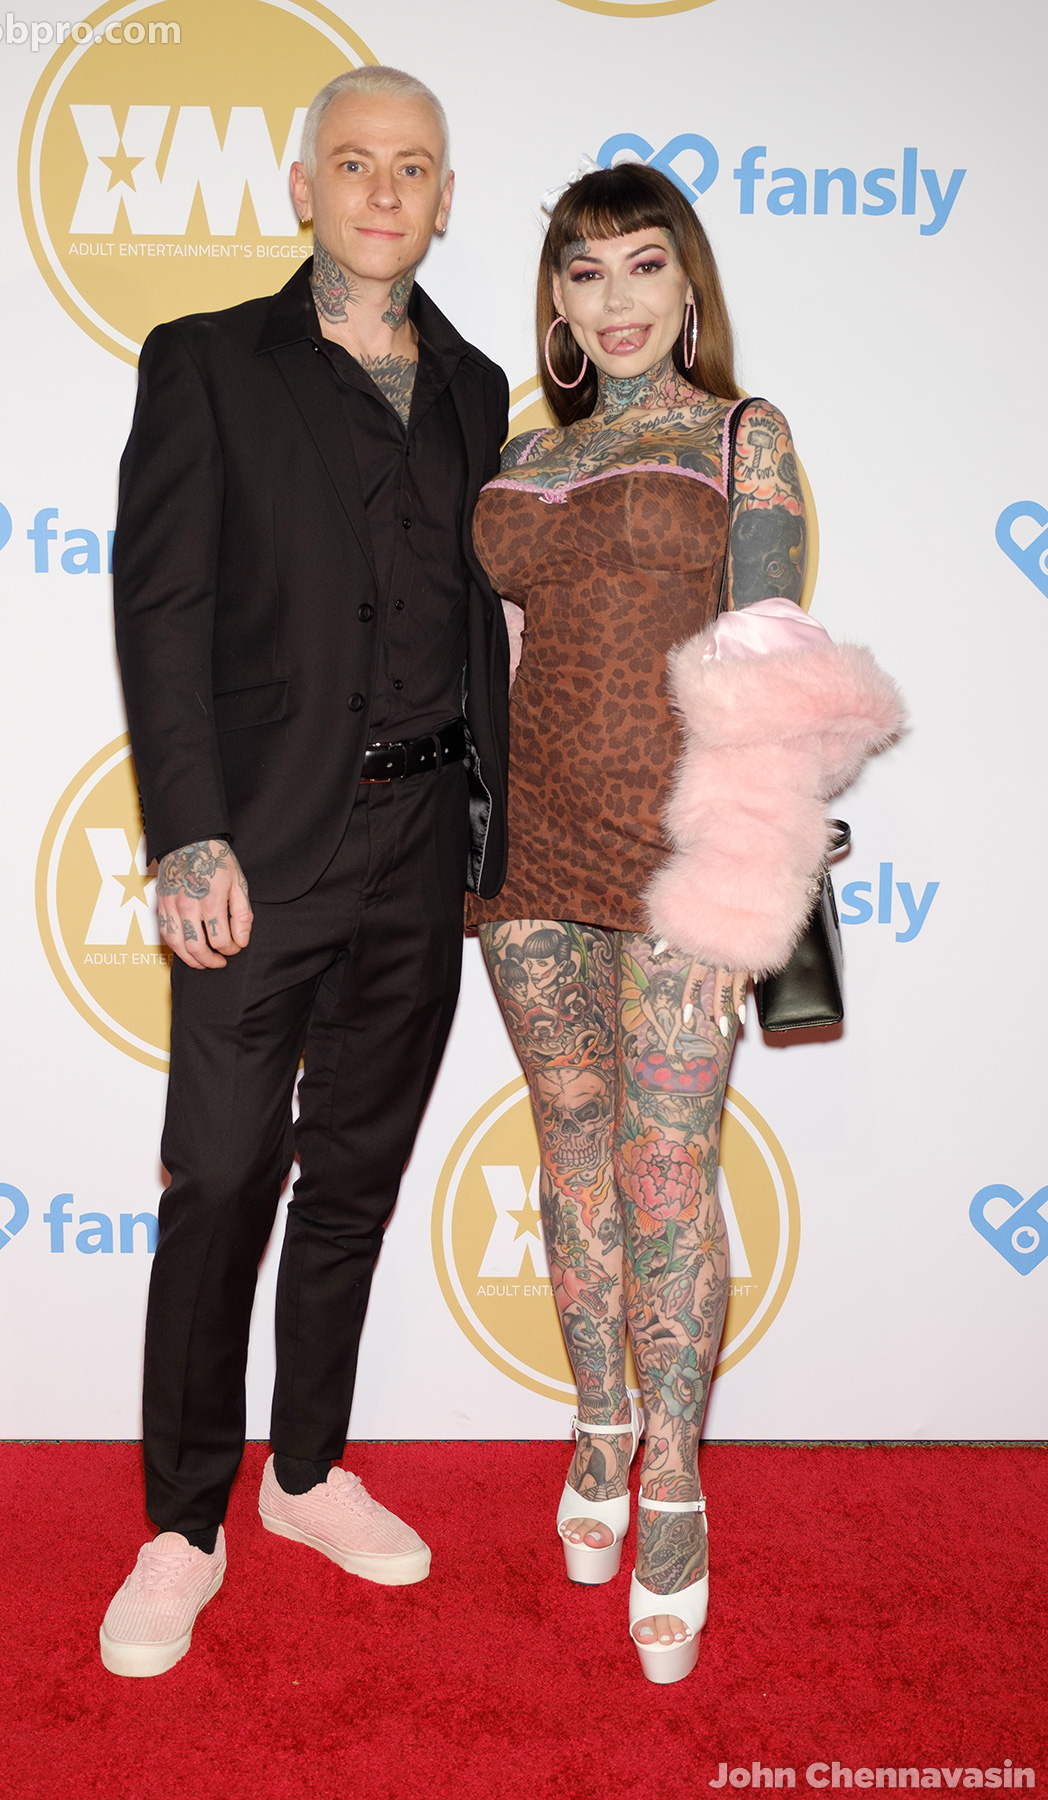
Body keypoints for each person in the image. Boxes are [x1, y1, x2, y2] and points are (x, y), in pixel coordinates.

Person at [100, 66, 509, 1678]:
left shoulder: (476, 384)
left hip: (424, 845)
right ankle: (182, 1523)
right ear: (301, 187)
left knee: (352, 1176)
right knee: (219, 1178)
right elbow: (161, 609)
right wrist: (187, 830)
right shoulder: (206, 361)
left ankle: (308, 1468)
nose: (383, 190)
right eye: (354, 162)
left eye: (413, 167)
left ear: (445, 198)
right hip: (257, 849)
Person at [468, 160, 804, 1684]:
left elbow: (772, 662)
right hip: (528, 854)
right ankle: (598, 1425)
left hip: (681, 861)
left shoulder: (743, 437)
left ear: (687, 287)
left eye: (644, 267)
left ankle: (673, 1478)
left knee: (667, 1173)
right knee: (574, 1154)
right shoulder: (519, 456)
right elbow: (496, 653)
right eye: (585, 272)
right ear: (555, 297)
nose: (615, 301)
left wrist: (752, 868)